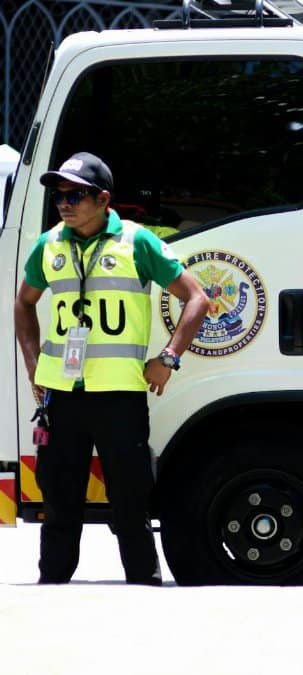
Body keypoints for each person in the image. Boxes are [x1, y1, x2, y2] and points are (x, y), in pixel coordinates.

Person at [13, 152, 208, 585]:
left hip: (119, 397)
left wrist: (169, 358)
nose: (64, 203)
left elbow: (198, 299)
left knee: (130, 505)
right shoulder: (48, 245)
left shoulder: (137, 243)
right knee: (59, 505)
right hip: (61, 396)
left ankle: (142, 587)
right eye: (58, 194)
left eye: (75, 194)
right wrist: (33, 367)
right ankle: (52, 591)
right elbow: (24, 303)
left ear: (103, 199)